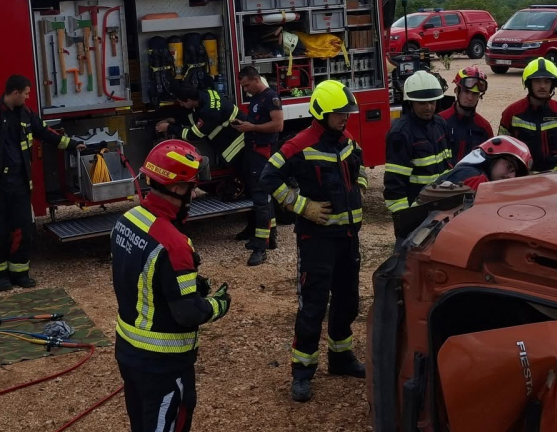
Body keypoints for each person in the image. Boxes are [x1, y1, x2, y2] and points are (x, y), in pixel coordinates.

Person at [111, 140, 232, 432]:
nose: (194, 192)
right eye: (191, 186)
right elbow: (188, 314)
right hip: (163, 365)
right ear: (177, 189)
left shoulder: (127, 221)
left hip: (128, 352)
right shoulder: (175, 245)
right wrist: (218, 305)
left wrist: (182, 285)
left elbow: (140, 277)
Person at [260, 80, 369, 403]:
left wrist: (360, 188)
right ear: (321, 112)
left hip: (348, 238)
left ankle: (341, 357)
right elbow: (268, 176)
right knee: (313, 307)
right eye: (339, 114)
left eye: (347, 113)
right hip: (317, 240)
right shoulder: (299, 145)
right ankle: (302, 372)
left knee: (348, 301)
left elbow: (359, 167)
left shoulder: (346, 140)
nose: (345, 118)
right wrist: (299, 205)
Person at [0, 75, 80, 290]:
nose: (28, 98)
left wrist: (73, 145)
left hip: (19, 185)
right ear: (15, 92)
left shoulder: (26, 114)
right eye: (26, 93)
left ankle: (20, 274)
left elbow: (46, 133)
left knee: (23, 231)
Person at [383, 71, 452, 231]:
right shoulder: (400, 133)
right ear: (411, 103)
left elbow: (448, 165)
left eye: (431, 102)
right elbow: (394, 184)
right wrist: (406, 218)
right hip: (416, 212)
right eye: (422, 103)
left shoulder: (440, 124)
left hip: (441, 207)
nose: (428, 107)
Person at [230, 67, 284, 266]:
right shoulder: (256, 98)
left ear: (256, 79)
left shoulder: (270, 97)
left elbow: (278, 125)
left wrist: (251, 128)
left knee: (261, 199)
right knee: (263, 197)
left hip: (263, 155)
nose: (245, 90)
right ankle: (271, 237)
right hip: (254, 154)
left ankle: (260, 247)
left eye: (246, 85)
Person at [498, 58, 557, 172]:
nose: (542, 86)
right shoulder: (512, 112)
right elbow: (501, 150)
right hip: (524, 178)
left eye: (547, 81)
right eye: (537, 81)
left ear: (553, 84)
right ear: (529, 83)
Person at [156, 83, 246, 173]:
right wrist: (174, 120)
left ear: (189, 100)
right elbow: (195, 117)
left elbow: (192, 135)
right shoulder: (207, 93)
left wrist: (169, 128)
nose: (181, 105)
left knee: (249, 179)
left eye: (181, 102)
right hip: (239, 142)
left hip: (238, 149)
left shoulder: (209, 111)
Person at [439, 66, 494, 162]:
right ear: (457, 91)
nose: (470, 98)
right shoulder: (440, 121)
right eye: (466, 92)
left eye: (475, 94)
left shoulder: (484, 127)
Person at [438, 136, 533, 191]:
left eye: (515, 173)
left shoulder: (468, 172)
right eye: (509, 167)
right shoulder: (477, 179)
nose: (511, 176)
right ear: (493, 158)